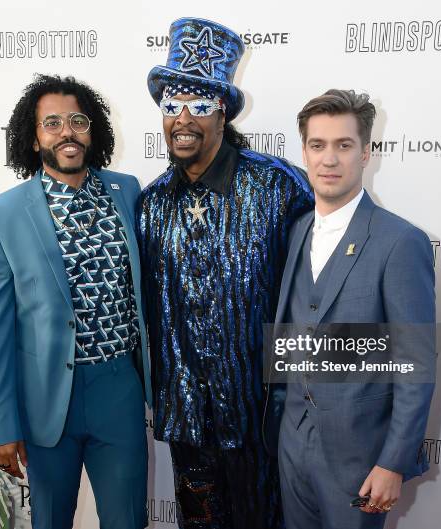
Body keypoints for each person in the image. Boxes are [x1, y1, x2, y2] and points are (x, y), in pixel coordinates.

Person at [138, 17, 314, 529]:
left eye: (199, 104)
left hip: (261, 418)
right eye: (172, 105)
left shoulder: (278, 188)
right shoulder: (149, 207)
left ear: (223, 112)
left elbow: (316, 294)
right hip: (187, 419)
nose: (183, 119)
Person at [0, 74, 151, 529]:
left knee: (128, 520)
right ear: (34, 138)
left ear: (93, 131)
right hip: (46, 401)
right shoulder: (1, 215)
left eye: (77, 120)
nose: (67, 132)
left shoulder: (126, 191)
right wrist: (3, 426)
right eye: (51, 123)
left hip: (118, 389)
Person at [266, 89, 435, 529]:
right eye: (318, 146)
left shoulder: (400, 241)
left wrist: (393, 462)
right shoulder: (298, 229)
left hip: (360, 458)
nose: (329, 159)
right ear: (303, 151)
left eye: (344, 145)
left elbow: (416, 362)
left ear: (366, 153)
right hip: (291, 444)